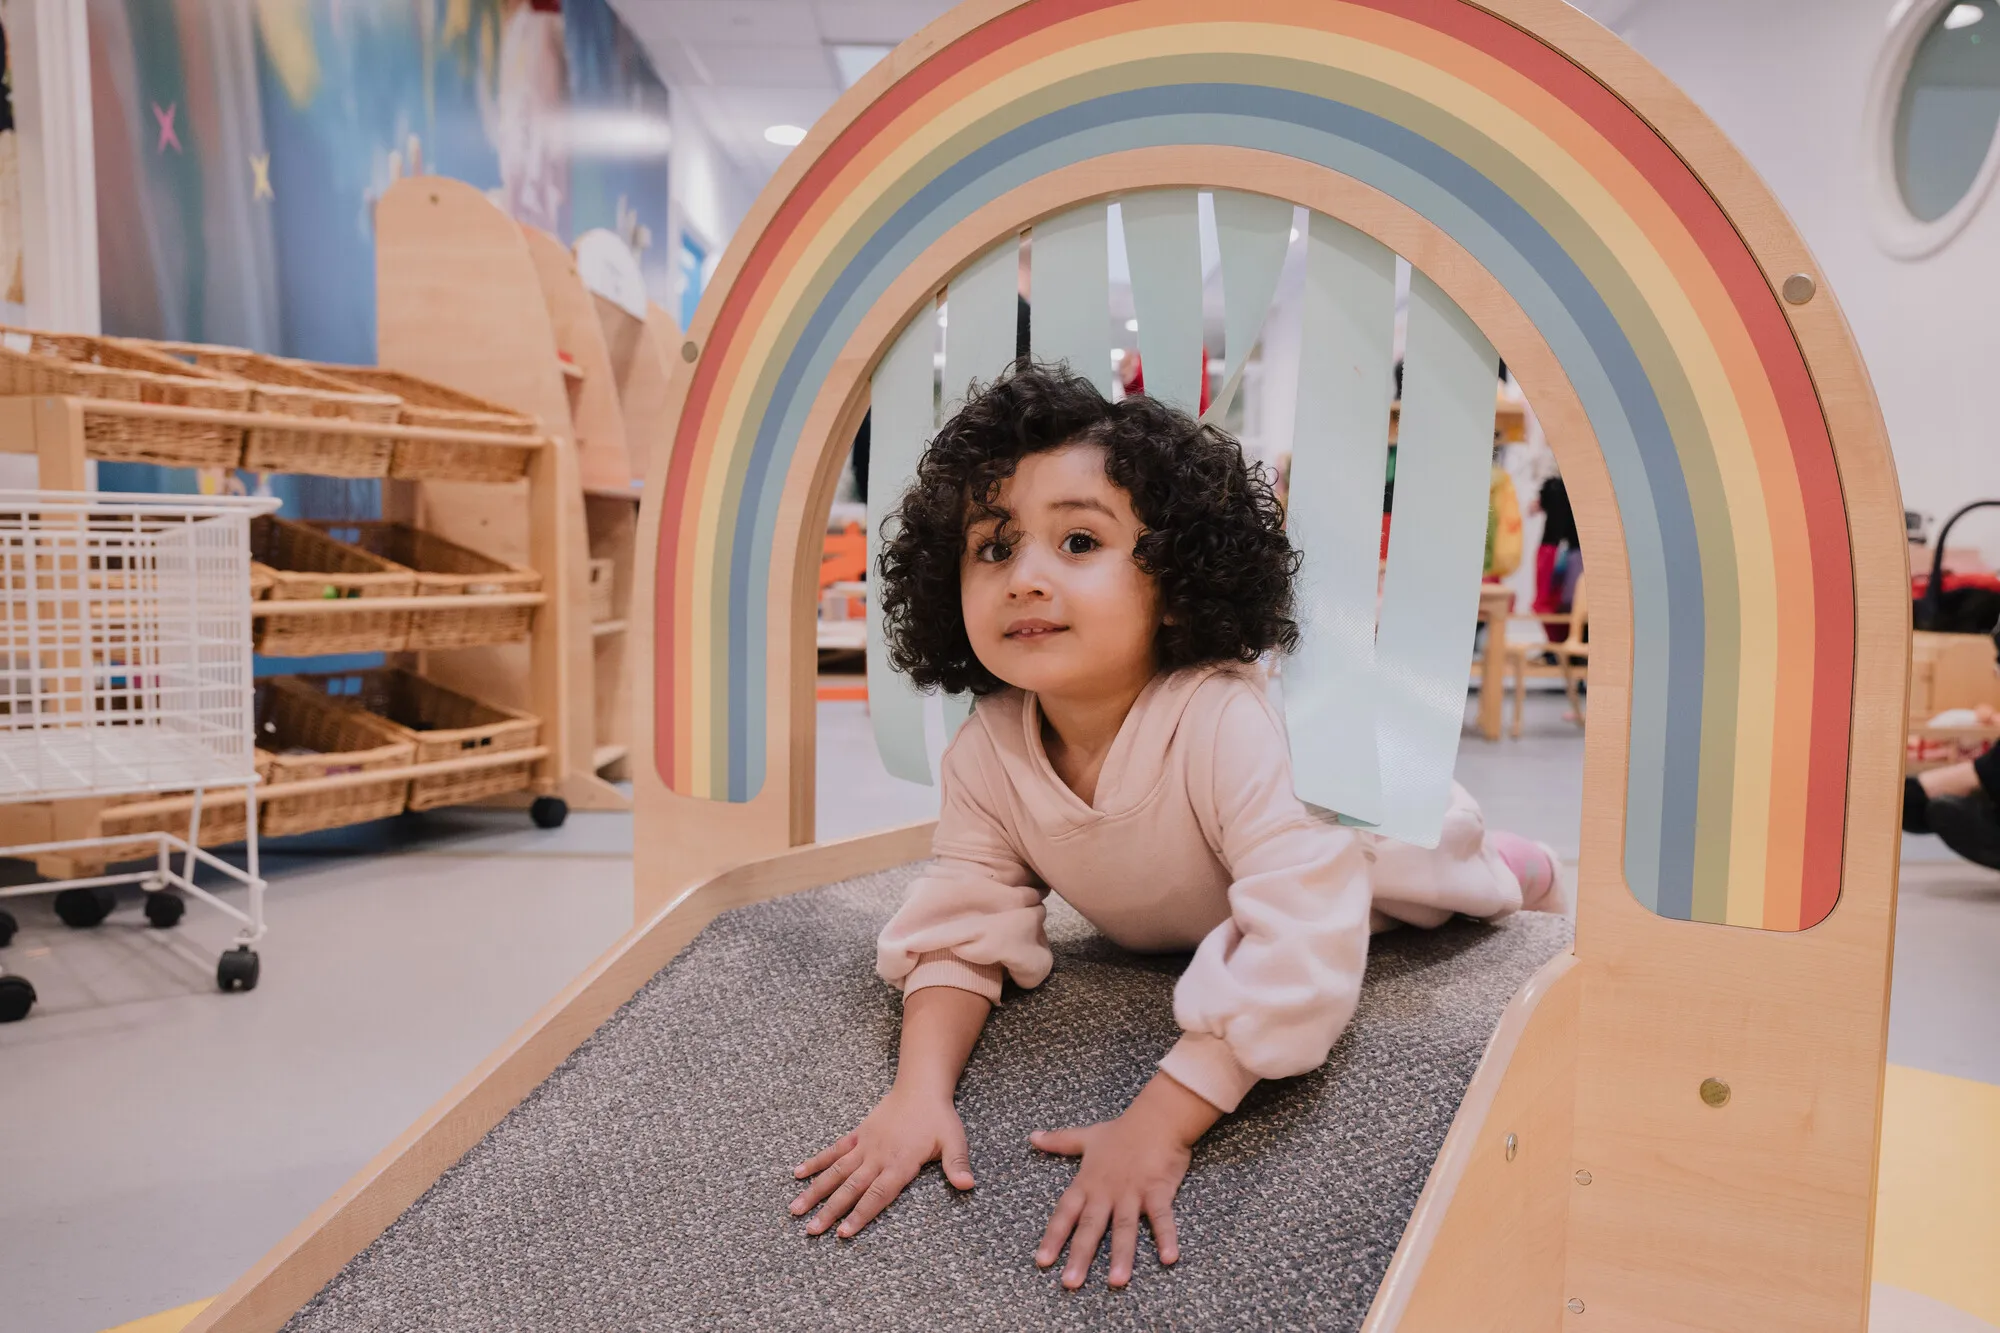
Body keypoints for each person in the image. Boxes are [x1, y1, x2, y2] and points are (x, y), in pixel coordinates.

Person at [787, 364, 1568, 1288]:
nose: (1025, 576)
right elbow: (963, 920)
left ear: (1178, 573)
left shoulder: (1230, 724)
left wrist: (1160, 1121)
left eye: (1079, 540)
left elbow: (1302, 946)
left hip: (1374, 841)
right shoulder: (989, 749)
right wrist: (918, 1092)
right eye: (993, 548)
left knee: (1456, 877)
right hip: (1210, 902)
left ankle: (1527, 866)